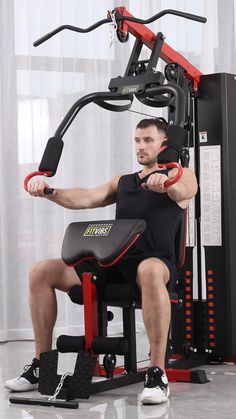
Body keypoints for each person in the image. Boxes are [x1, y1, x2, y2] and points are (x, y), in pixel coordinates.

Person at [5, 118, 197, 404]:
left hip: (155, 262)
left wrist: (166, 182)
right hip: (115, 260)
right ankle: (41, 366)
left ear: (164, 144)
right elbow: (86, 197)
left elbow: (184, 191)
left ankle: (157, 373)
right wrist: (49, 192)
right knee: (41, 271)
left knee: (149, 271)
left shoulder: (182, 174)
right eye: (137, 140)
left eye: (148, 140)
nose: (141, 146)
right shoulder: (124, 182)